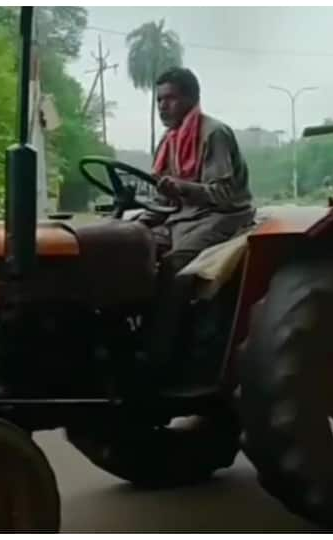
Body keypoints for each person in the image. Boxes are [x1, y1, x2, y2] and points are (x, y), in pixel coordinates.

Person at [138, 67, 255, 373]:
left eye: (171, 98)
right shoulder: (169, 140)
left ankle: (158, 357)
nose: (163, 106)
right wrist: (138, 224)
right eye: (159, 100)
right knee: (138, 251)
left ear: (191, 98)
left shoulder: (212, 133)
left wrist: (183, 188)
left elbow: (226, 193)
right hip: (182, 218)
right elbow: (163, 199)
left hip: (221, 217)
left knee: (176, 266)